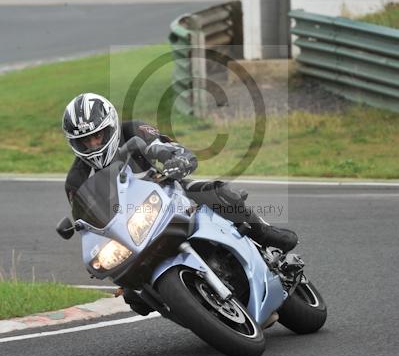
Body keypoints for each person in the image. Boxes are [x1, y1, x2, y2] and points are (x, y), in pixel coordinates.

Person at [62, 92, 297, 313]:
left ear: (110, 126)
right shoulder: (76, 181)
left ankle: (264, 233)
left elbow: (165, 145)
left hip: (170, 193)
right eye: (85, 141)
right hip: (134, 230)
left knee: (213, 191)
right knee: (135, 298)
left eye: (97, 136)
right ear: (74, 143)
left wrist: (179, 159)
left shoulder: (133, 130)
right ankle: (191, 306)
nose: (93, 144)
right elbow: (89, 224)